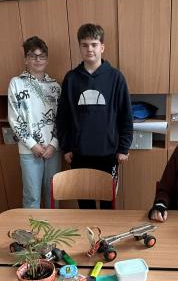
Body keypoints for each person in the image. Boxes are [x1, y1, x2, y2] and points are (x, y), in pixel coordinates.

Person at [57, 23, 133, 209]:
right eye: (84, 45)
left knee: (108, 204)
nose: (89, 49)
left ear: (102, 47)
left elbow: (125, 115)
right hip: (79, 154)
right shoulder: (71, 79)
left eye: (94, 44)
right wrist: (66, 147)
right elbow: (63, 117)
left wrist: (124, 147)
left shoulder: (116, 78)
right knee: (85, 204)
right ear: (80, 47)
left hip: (109, 153)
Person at [8, 36, 61, 208]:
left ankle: (54, 226)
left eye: (42, 55)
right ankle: (33, 226)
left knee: (54, 195)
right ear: (26, 59)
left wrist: (53, 145)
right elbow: (15, 119)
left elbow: (62, 119)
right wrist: (33, 145)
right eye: (33, 55)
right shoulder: (16, 83)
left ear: (47, 59)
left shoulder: (55, 87)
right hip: (29, 150)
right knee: (32, 197)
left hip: (53, 150)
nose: (38, 59)